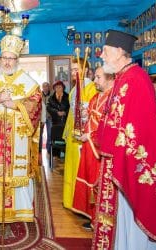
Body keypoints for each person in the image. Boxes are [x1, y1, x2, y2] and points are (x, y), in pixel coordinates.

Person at [94, 29, 156, 249]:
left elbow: (135, 130)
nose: (101, 55)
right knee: (122, 218)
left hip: (130, 163)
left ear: (120, 51)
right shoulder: (125, 77)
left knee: (133, 217)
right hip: (120, 160)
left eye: (106, 51)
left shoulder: (135, 79)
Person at [0, 35, 42, 222]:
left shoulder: (28, 82)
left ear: (17, 60)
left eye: (10, 58)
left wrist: (15, 104)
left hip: (18, 138)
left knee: (17, 175)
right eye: (4, 57)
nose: (7, 61)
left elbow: (36, 102)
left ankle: (22, 212)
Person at [71, 67, 114, 230]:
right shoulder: (96, 97)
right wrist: (84, 113)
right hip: (89, 147)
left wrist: (89, 136)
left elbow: (109, 127)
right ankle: (93, 218)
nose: (95, 81)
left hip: (99, 149)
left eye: (98, 77)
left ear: (110, 78)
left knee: (99, 184)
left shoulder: (114, 99)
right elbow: (91, 117)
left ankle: (102, 221)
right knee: (89, 180)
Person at [62, 58, 96, 210]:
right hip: (73, 136)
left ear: (86, 70)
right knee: (71, 167)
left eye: (77, 69)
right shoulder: (75, 88)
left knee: (81, 170)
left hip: (83, 137)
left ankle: (81, 204)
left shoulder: (91, 88)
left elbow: (92, 114)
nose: (73, 72)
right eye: (72, 69)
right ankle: (70, 201)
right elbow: (71, 114)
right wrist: (67, 132)